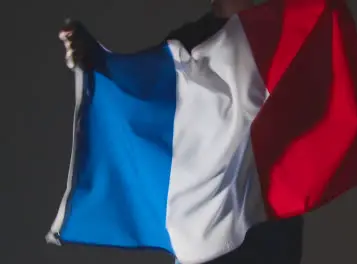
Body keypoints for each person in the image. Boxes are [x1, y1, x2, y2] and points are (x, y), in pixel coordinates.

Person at [58, 0, 305, 263]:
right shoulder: (186, 44)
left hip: (267, 226)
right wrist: (96, 62)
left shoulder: (283, 32)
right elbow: (141, 93)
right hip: (206, 229)